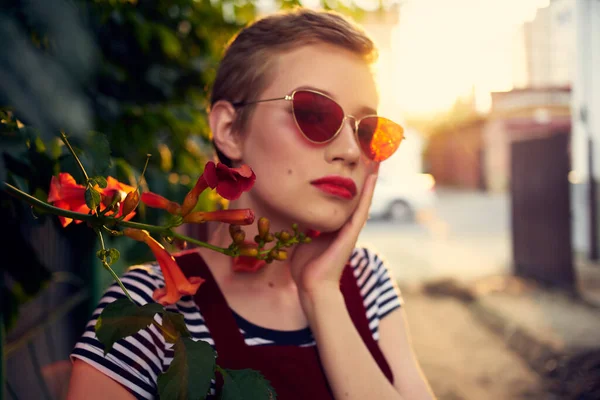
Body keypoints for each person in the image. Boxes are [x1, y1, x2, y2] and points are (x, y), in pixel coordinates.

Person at [67, 7, 435, 400]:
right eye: (313, 113)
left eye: (368, 130)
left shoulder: (367, 279)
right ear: (229, 130)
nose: (349, 150)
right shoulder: (146, 307)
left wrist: (322, 293)